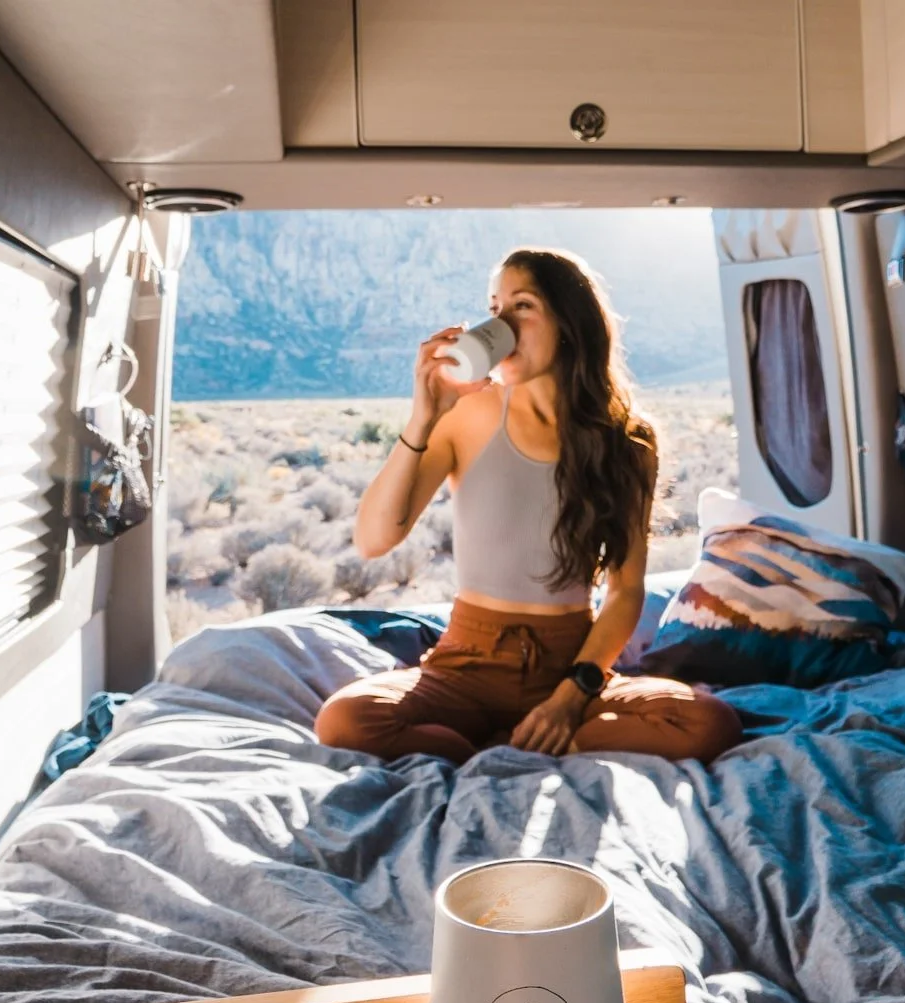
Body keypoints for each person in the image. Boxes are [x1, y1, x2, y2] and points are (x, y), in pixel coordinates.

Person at [314, 248, 742, 765]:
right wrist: (422, 418)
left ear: (568, 322)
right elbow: (373, 540)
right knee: (345, 720)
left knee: (709, 723)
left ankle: (528, 741)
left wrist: (570, 699)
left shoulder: (628, 441)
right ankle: (507, 747)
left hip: (572, 667)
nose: (501, 326)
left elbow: (625, 592)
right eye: (494, 310)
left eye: (521, 306)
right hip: (465, 665)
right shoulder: (465, 414)